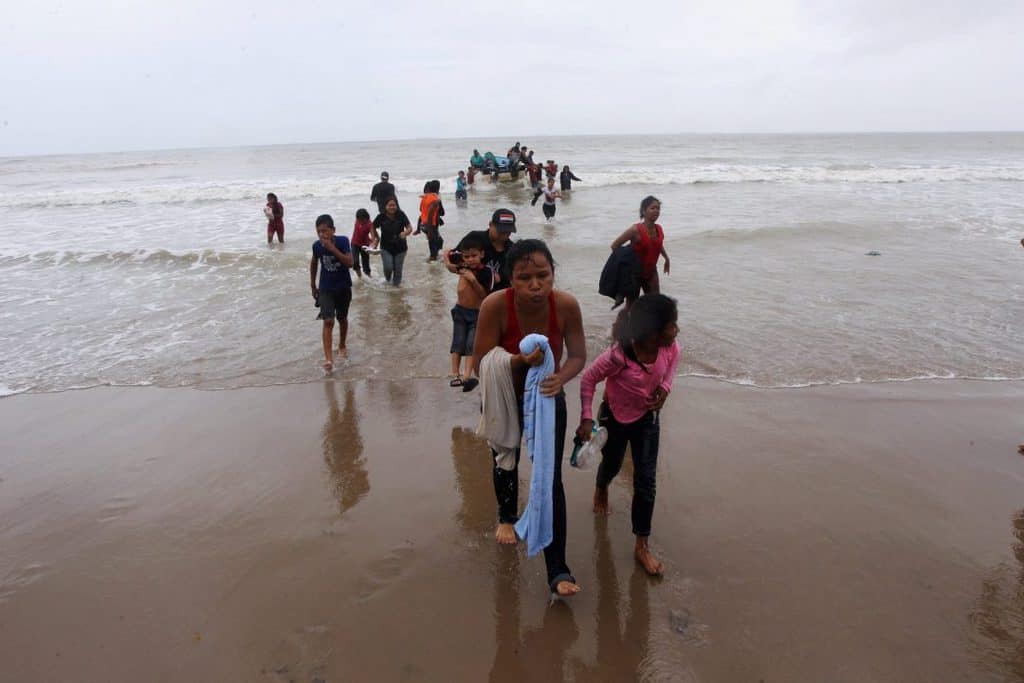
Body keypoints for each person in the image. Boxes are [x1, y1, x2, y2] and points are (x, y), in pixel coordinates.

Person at [470, 238, 587, 597]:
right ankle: (507, 516)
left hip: (549, 399)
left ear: (553, 274)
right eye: (524, 278)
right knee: (506, 460)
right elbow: (481, 362)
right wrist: (520, 362)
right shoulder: (494, 305)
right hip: (505, 398)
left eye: (543, 275)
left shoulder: (565, 305)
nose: (535, 285)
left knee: (550, 481)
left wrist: (559, 378)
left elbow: (578, 356)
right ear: (509, 279)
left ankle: (558, 570)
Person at [576, 294, 680, 576]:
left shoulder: (668, 347)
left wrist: (665, 390)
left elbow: (673, 363)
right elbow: (588, 379)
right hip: (614, 417)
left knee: (646, 481)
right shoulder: (618, 355)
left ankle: (641, 545)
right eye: (671, 326)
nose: (676, 331)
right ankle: (601, 486)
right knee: (611, 464)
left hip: (647, 419)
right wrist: (587, 416)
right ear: (651, 333)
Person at [443, 232, 495, 386]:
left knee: (471, 344)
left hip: (476, 313)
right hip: (460, 310)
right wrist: (446, 257)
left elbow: (484, 294)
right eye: (467, 257)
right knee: (457, 343)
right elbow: (451, 266)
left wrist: (472, 280)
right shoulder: (463, 267)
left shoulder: (486, 272)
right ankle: (454, 374)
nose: (470, 260)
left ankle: (466, 375)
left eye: (474, 255)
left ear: (482, 254)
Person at [310, 214, 354, 372]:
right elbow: (314, 262)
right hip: (326, 288)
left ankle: (342, 344)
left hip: (343, 287)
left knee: (342, 318)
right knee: (328, 321)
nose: (322, 235)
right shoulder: (316, 246)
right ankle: (329, 359)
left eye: (325, 231)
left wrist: (332, 249)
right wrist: (313, 285)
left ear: (333, 230)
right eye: (319, 232)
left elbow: (350, 263)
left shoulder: (343, 241)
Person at [610, 196, 670, 303]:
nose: (656, 210)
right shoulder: (635, 230)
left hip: (651, 272)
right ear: (644, 211)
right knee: (632, 307)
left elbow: (657, 244)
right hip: (634, 275)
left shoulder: (659, 228)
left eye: (658, 208)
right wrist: (625, 263)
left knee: (655, 304)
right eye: (653, 208)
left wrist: (666, 258)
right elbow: (615, 246)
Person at [451, 208, 517, 290]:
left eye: (508, 231)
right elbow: (453, 259)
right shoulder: (475, 238)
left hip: (499, 293)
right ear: (490, 224)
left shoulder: (513, 250)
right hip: (473, 292)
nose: (505, 235)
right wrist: (448, 262)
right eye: (501, 231)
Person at [370, 197, 413, 286]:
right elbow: (372, 227)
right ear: (385, 207)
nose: (392, 207)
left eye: (394, 205)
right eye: (390, 205)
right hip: (386, 248)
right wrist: (375, 239)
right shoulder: (381, 216)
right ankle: (388, 281)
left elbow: (409, 228)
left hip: (400, 248)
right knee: (388, 268)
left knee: (398, 270)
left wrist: (405, 233)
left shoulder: (401, 215)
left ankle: (396, 292)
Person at [418, 179, 445, 261]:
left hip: (423, 224)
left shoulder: (425, 198)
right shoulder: (435, 200)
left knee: (437, 241)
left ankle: (434, 258)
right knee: (435, 243)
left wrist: (418, 228)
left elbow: (421, 210)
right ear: (438, 189)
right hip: (430, 226)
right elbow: (441, 212)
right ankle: (432, 262)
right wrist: (430, 231)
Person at [350, 208, 376, 279]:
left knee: (366, 265)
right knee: (355, 262)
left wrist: (373, 244)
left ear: (366, 218)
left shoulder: (370, 224)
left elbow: (373, 236)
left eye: (362, 220)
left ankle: (370, 278)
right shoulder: (357, 220)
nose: (360, 221)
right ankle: (360, 278)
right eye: (359, 220)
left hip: (364, 246)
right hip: (354, 243)